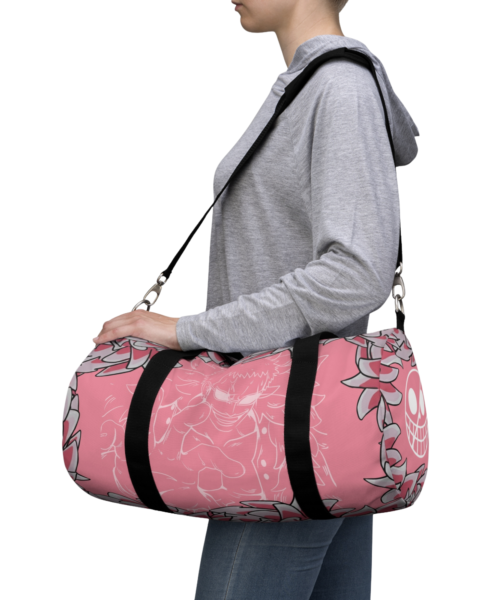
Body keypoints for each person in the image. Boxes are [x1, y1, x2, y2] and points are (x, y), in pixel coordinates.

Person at [92, 1, 419, 598]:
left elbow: (357, 273)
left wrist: (184, 330)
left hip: (284, 430)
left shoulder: (340, 90)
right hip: (304, 425)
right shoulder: (308, 87)